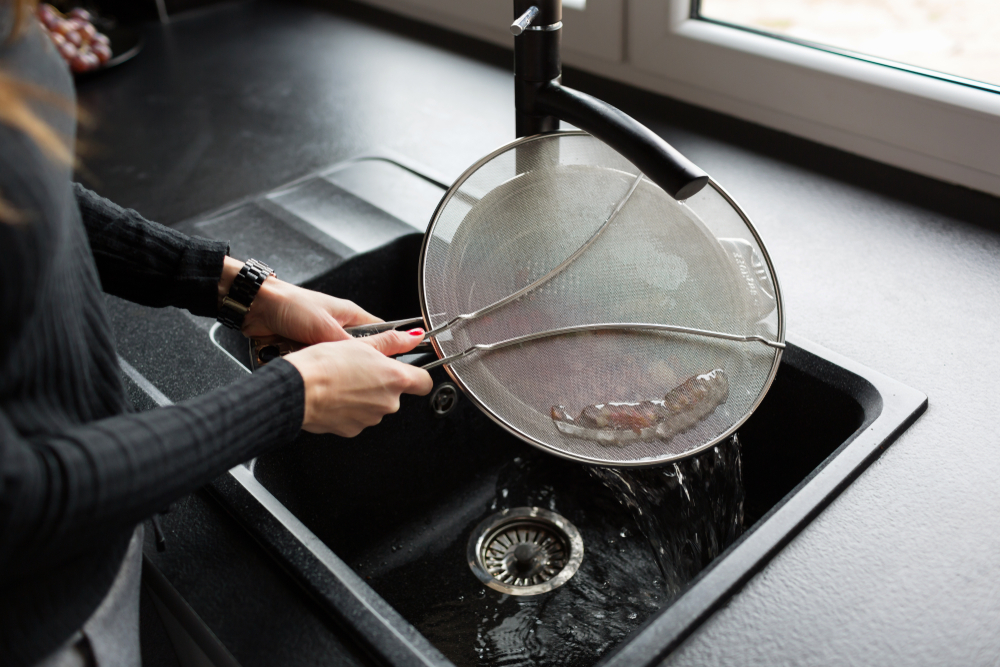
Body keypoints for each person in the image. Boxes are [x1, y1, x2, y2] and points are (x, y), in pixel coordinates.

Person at [0, 1, 433, 665]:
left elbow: (35, 192)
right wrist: (292, 398)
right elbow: (19, 500)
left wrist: (238, 287)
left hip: (102, 530)